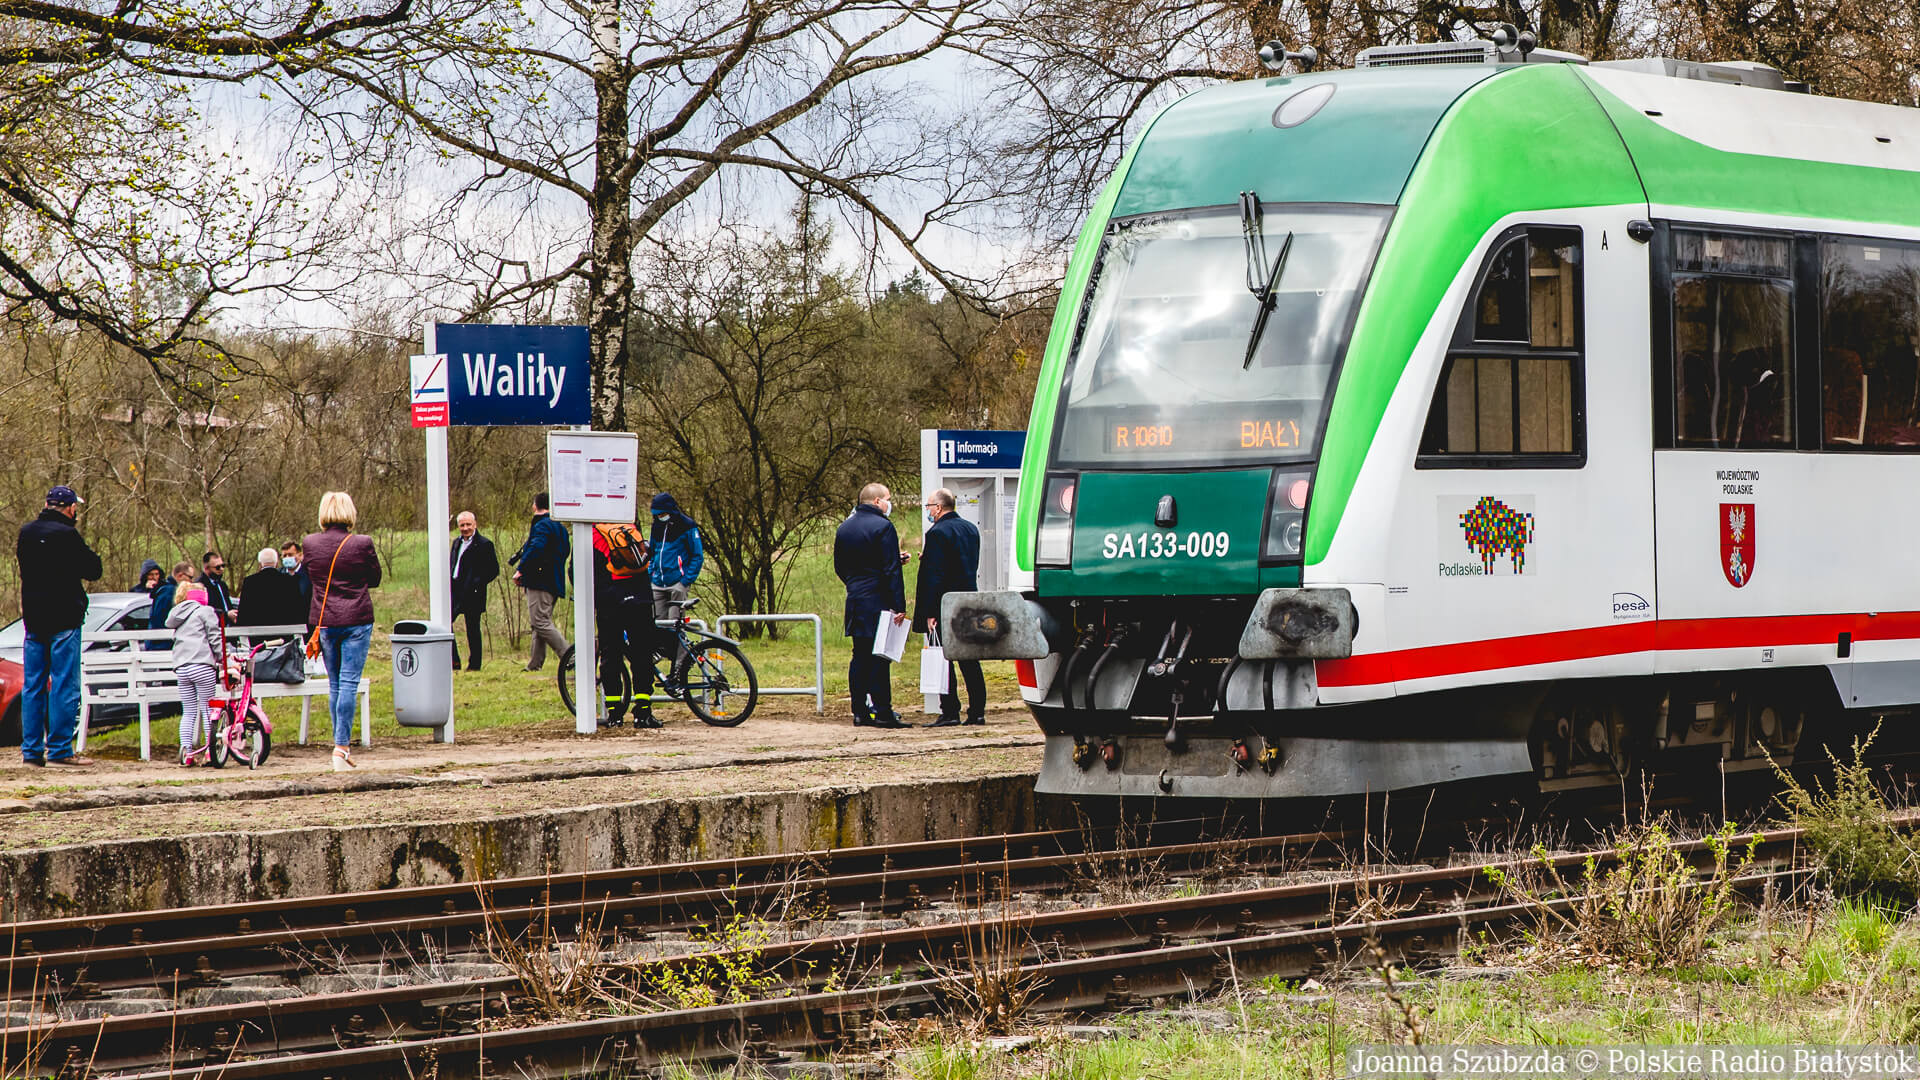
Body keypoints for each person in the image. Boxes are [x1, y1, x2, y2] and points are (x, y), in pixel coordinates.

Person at [15, 485, 103, 766]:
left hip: (34, 617)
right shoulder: (68, 535)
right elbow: (93, 570)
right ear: (70, 508)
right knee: (64, 684)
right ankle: (60, 749)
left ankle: (31, 751)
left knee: (33, 685)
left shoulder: (27, 533)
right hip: (64, 616)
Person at [304, 491, 381, 772]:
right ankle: (341, 747)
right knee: (348, 683)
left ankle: (340, 746)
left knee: (335, 684)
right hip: (356, 618)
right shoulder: (362, 543)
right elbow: (375, 578)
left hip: (325, 620)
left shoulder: (310, 543)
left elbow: (312, 577)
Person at [833, 482, 909, 728]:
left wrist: (855, 585)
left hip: (855, 598)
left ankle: (859, 712)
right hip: (879, 600)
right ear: (877, 501)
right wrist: (899, 605)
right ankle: (884, 711)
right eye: (887, 498)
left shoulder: (844, 528)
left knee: (859, 656)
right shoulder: (884, 527)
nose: (889, 503)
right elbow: (890, 570)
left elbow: (841, 566)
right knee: (880, 657)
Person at [913, 488, 986, 727]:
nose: (928, 511)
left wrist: (930, 612)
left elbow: (934, 576)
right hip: (967, 601)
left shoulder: (937, 534)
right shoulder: (970, 529)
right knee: (969, 658)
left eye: (929, 506)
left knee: (944, 658)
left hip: (945, 604)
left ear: (939, 507)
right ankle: (977, 711)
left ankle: (950, 710)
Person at [592, 520, 659, 728]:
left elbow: (578, 571)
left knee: (611, 655)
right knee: (642, 653)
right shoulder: (629, 529)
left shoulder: (593, 535)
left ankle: (614, 713)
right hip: (640, 599)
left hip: (610, 602)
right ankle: (643, 711)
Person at [509, 492, 570, 671]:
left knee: (540, 621)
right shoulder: (560, 527)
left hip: (540, 581)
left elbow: (536, 548)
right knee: (540, 621)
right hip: (554, 580)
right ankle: (535, 663)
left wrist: (521, 569)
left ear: (535, 506)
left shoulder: (542, 526)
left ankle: (569, 656)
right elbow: (565, 551)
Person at [646, 493, 703, 680]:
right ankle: (663, 655)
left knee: (675, 627)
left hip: (677, 584)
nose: (660, 516)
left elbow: (697, 556)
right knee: (656, 626)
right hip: (657, 583)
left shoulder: (687, 526)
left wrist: (684, 582)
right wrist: (651, 575)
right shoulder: (656, 527)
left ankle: (679, 669)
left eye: (662, 513)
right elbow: (653, 553)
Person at [167, 581, 223, 765]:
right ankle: (209, 752)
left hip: (182, 668)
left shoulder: (177, 615)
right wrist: (222, 657)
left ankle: (187, 753)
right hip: (202, 665)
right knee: (208, 710)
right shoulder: (205, 611)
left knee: (189, 711)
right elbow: (214, 637)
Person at [450, 511, 500, 671]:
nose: (465, 528)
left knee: (472, 629)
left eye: (468, 525)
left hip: (473, 593)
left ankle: (474, 665)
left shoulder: (484, 544)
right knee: (445, 624)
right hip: (455, 590)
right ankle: (453, 661)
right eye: (462, 525)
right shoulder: (456, 543)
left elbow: (493, 570)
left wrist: (477, 583)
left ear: (475, 524)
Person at [239, 547, 306, 628]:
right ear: (277, 563)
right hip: (284, 635)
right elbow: (298, 612)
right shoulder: (290, 581)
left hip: (257, 635)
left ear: (260, 564)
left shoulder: (249, 582)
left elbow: (243, 614)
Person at [198, 551, 239, 623]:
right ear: (206, 568)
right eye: (217, 567)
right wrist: (226, 615)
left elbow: (228, 606)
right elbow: (202, 610)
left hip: (227, 627)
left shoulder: (222, 585)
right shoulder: (199, 586)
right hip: (212, 627)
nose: (221, 569)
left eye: (223, 566)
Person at [281, 541, 311, 616]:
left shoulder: (309, 575)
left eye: (290, 555)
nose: (287, 558)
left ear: (300, 556)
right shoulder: (278, 574)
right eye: (284, 556)